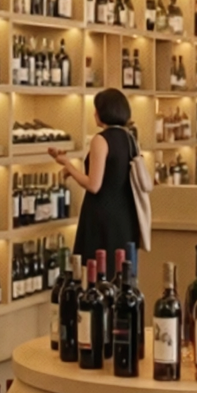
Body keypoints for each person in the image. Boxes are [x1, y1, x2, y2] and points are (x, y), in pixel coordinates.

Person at [53, 87, 145, 278]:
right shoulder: (130, 139)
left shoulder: (100, 140)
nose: (94, 113)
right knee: (121, 275)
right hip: (126, 218)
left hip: (103, 218)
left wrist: (68, 165)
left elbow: (94, 184)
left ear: (105, 111)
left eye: (96, 108)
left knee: (98, 275)